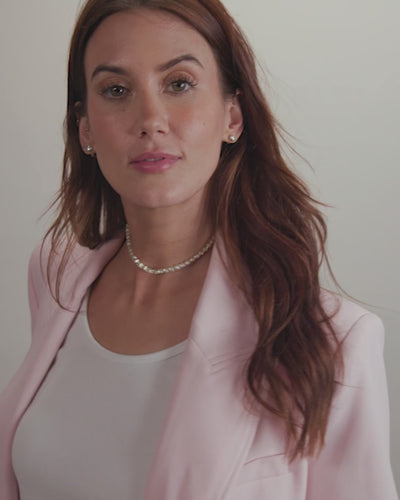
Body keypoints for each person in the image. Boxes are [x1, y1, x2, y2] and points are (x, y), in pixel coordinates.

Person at [0, 0, 397, 498]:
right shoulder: (54, 277)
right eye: (117, 90)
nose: (151, 119)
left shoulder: (333, 342)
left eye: (179, 83)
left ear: (233, 114)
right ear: (85, 129)